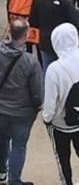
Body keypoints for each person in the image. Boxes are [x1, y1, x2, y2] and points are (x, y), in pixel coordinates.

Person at [42, 23, 79, 185]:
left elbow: (50, 101)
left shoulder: (54, 69)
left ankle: (67, 183)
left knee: (63, 157)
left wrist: (46, 118)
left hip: (61, 124)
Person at [0, 19, 43, 185]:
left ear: (9, 33)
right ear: (26, 36)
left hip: (1, 110)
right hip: (22, 113)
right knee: (19, 146)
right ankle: (14, 180)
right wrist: (38, 106)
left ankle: (1, 172)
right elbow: (37, 92)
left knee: (2, 140)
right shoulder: (30, 62)